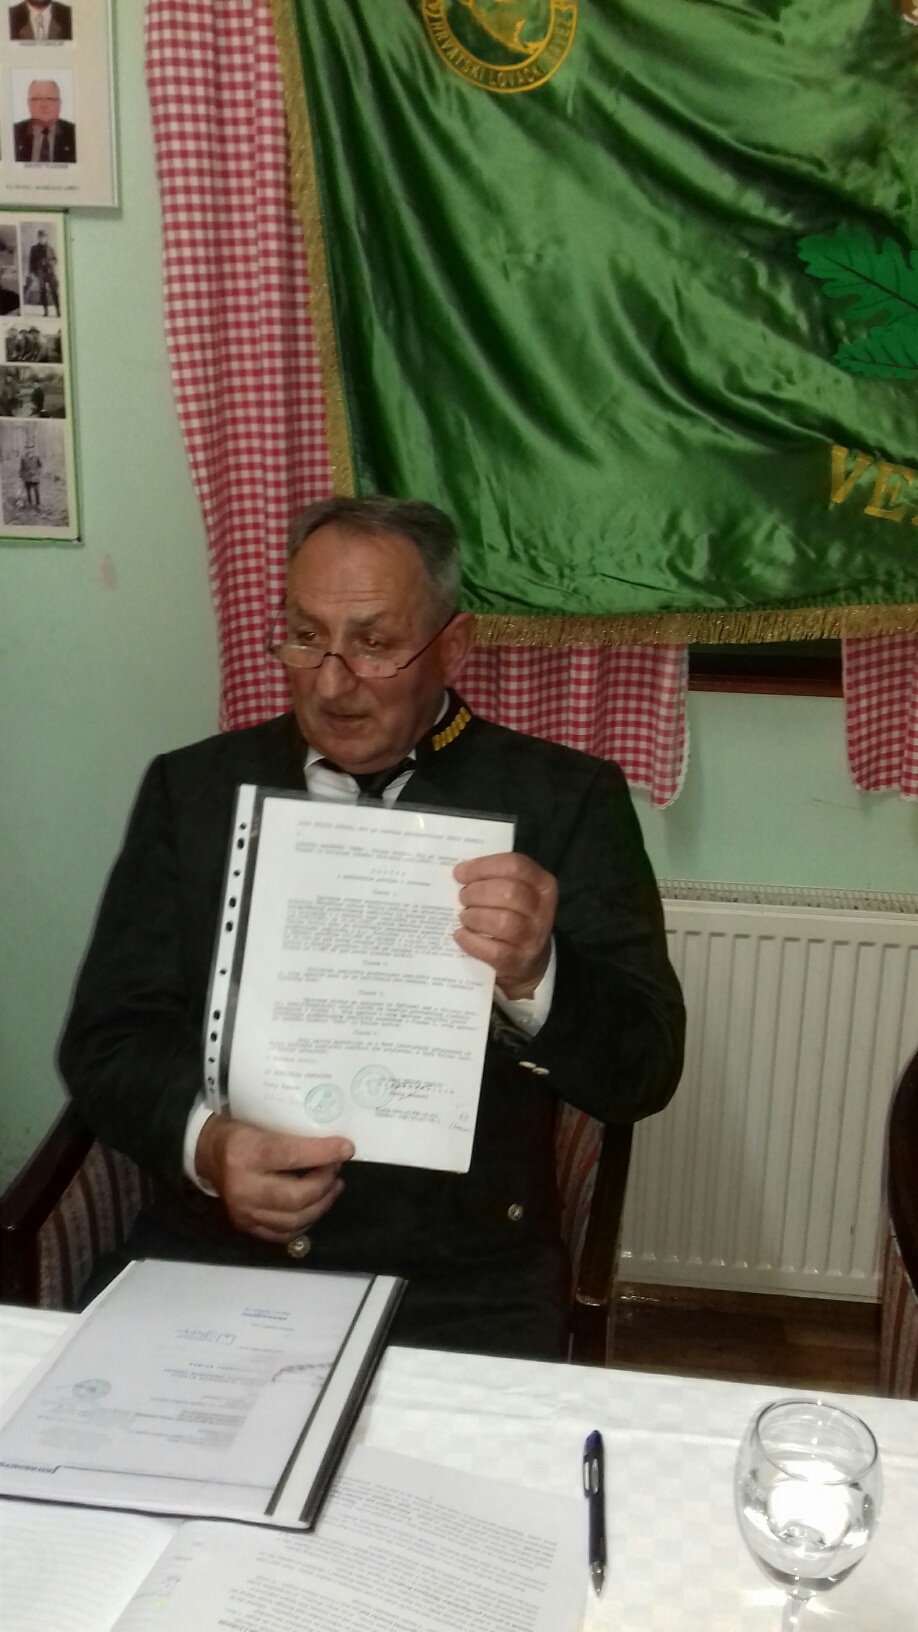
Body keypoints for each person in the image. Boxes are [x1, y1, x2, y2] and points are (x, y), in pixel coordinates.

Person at [60, 496, 685, 1359]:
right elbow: (108, 1039)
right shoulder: (194, 792)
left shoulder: (562, 801)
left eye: (374, 643)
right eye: (305, 637)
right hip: (219, 1253)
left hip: (459, 1282)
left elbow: (645, 1069)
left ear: (452, 648)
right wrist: (209, 1146)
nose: (330, 681)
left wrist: (538, 973)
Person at [13, 80, 76, 164]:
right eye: (36, 99)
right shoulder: (11, 134)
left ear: (59, 103)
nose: (43, 105)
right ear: (28, 104)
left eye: (49, 98)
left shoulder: (75, 134)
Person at [27, 230, 59, 317]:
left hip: (50, 273)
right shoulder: (34, 249)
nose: (43, 239)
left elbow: (55, 260)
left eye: (44, 237)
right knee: (42, 292)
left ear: (46, 238)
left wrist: (49, 262)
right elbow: (31, 262)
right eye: (41, 237)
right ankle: (46, 311)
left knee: (54, 292)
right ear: (38, 238)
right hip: (40, 273)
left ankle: (58, 311)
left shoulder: (50, 249)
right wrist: (32, 273)